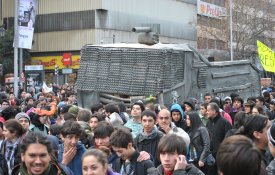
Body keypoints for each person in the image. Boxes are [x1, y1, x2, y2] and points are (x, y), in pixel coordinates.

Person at [206, 102, 232, 175]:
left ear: (214, 111)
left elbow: (229, 141)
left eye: (208, 110)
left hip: (222, 157)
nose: (206, 112)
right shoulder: (208, 123)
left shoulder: (225, 123)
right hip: (211, 157)